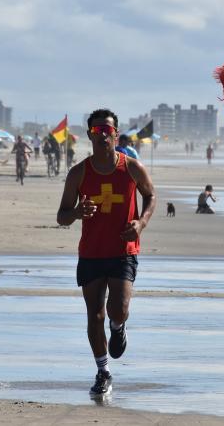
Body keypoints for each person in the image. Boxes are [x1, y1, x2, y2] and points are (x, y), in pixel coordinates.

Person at [57, 109, 156, 397]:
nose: (103, 136)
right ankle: (103, 372)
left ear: (116, 133)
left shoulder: (132, 168)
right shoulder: (78, 173)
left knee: (118, 309)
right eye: (97, 131)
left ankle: (119, 325)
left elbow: (150, 195)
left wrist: (142, 222)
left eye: (107, 131)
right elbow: (61, 216)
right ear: (90, 135)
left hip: (123, 250)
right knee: (94, 315)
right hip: (91, 253)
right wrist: (76, 212)